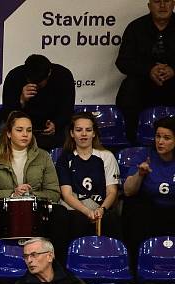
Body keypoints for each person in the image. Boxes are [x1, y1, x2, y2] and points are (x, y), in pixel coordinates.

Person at [0, 111, 62, 246]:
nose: (25, 134)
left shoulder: (43, 156)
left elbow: (54, 193)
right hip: (3, 210)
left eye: (29, 130)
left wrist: (30, 195)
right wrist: (12, 194)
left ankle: (53, 261)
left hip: (35, 210)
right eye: (19, 130)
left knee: (60, 213)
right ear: (9, 133)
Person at [115, 0, 175, 143]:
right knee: (129, 88)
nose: (162, 5)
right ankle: (131, 142)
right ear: (149, 5)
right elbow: (122, 62)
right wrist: (149, 70)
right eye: (157, 1)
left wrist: (173, 70)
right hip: (144, 85)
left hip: (173, 84)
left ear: (173, 4)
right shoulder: (135, 28)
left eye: (166, 1)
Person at [55, 112, 120, 241]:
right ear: (72, 133)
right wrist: (86, 211)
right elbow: (67, 194)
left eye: (88, 130)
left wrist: (101, 210)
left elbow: (112, 192)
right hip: (76, 208)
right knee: (76, 219)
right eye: (79, 130)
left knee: (112, 219)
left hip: (100, 207)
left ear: (94, 133)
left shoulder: (107, 156)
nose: (84, 134)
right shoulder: (65, 159)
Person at [122, 116, 175, 263]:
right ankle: (139, 266)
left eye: (167, 138)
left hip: (172, 210)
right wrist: (140, 174)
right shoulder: (145, 155)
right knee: (135, 209)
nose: (160, 141)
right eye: (158, 136)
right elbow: (127, 191)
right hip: (151, 210)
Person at [0, 54, 75, 149]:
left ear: (49, 73)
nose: (35, 85)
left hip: (52, 124)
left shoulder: (63, 76)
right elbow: (7, 113)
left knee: (71, 133)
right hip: (20, 123)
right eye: (31, 81)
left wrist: (55, 124)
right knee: (1, 131)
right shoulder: (14, 76)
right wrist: (21, 100)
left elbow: (67, 109)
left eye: (39, 83)